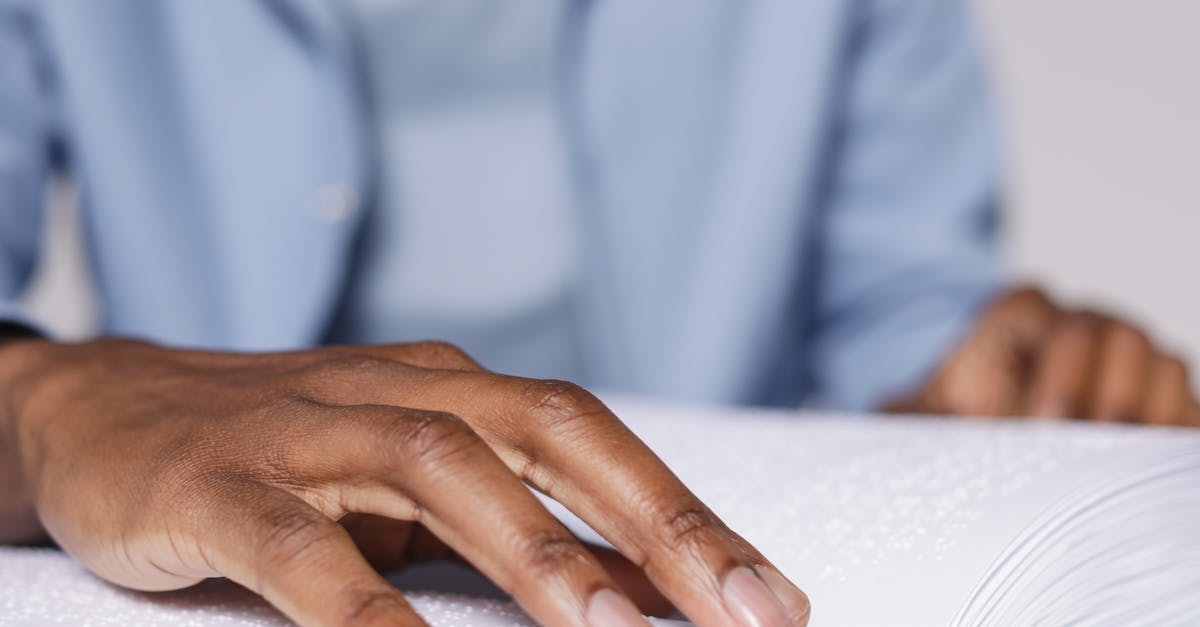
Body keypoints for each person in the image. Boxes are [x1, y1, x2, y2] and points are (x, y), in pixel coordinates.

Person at [0, 1, 1194, 625]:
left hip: (733, 529)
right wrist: (39, 395)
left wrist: (986, 364)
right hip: (239, 541)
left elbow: (901, 307)